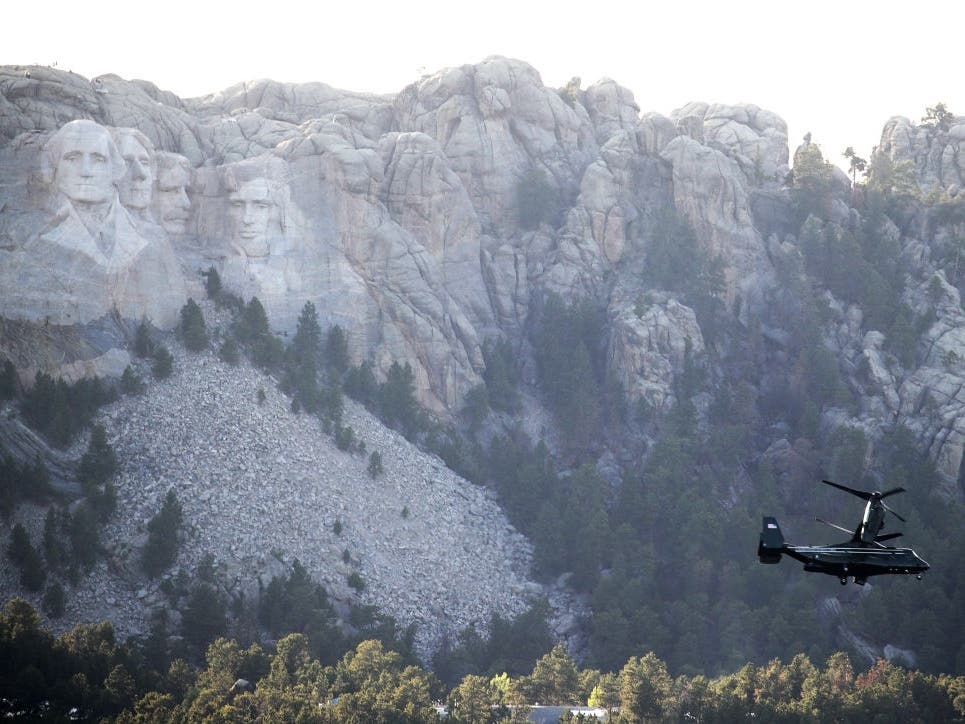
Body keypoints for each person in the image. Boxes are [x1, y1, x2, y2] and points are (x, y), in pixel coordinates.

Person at [0, 120, 186, 328]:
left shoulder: (154, 238)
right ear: (53, 168)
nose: (86, 171)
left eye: (98, 159)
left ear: (114, 170)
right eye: (72, 158)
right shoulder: (26, 236)